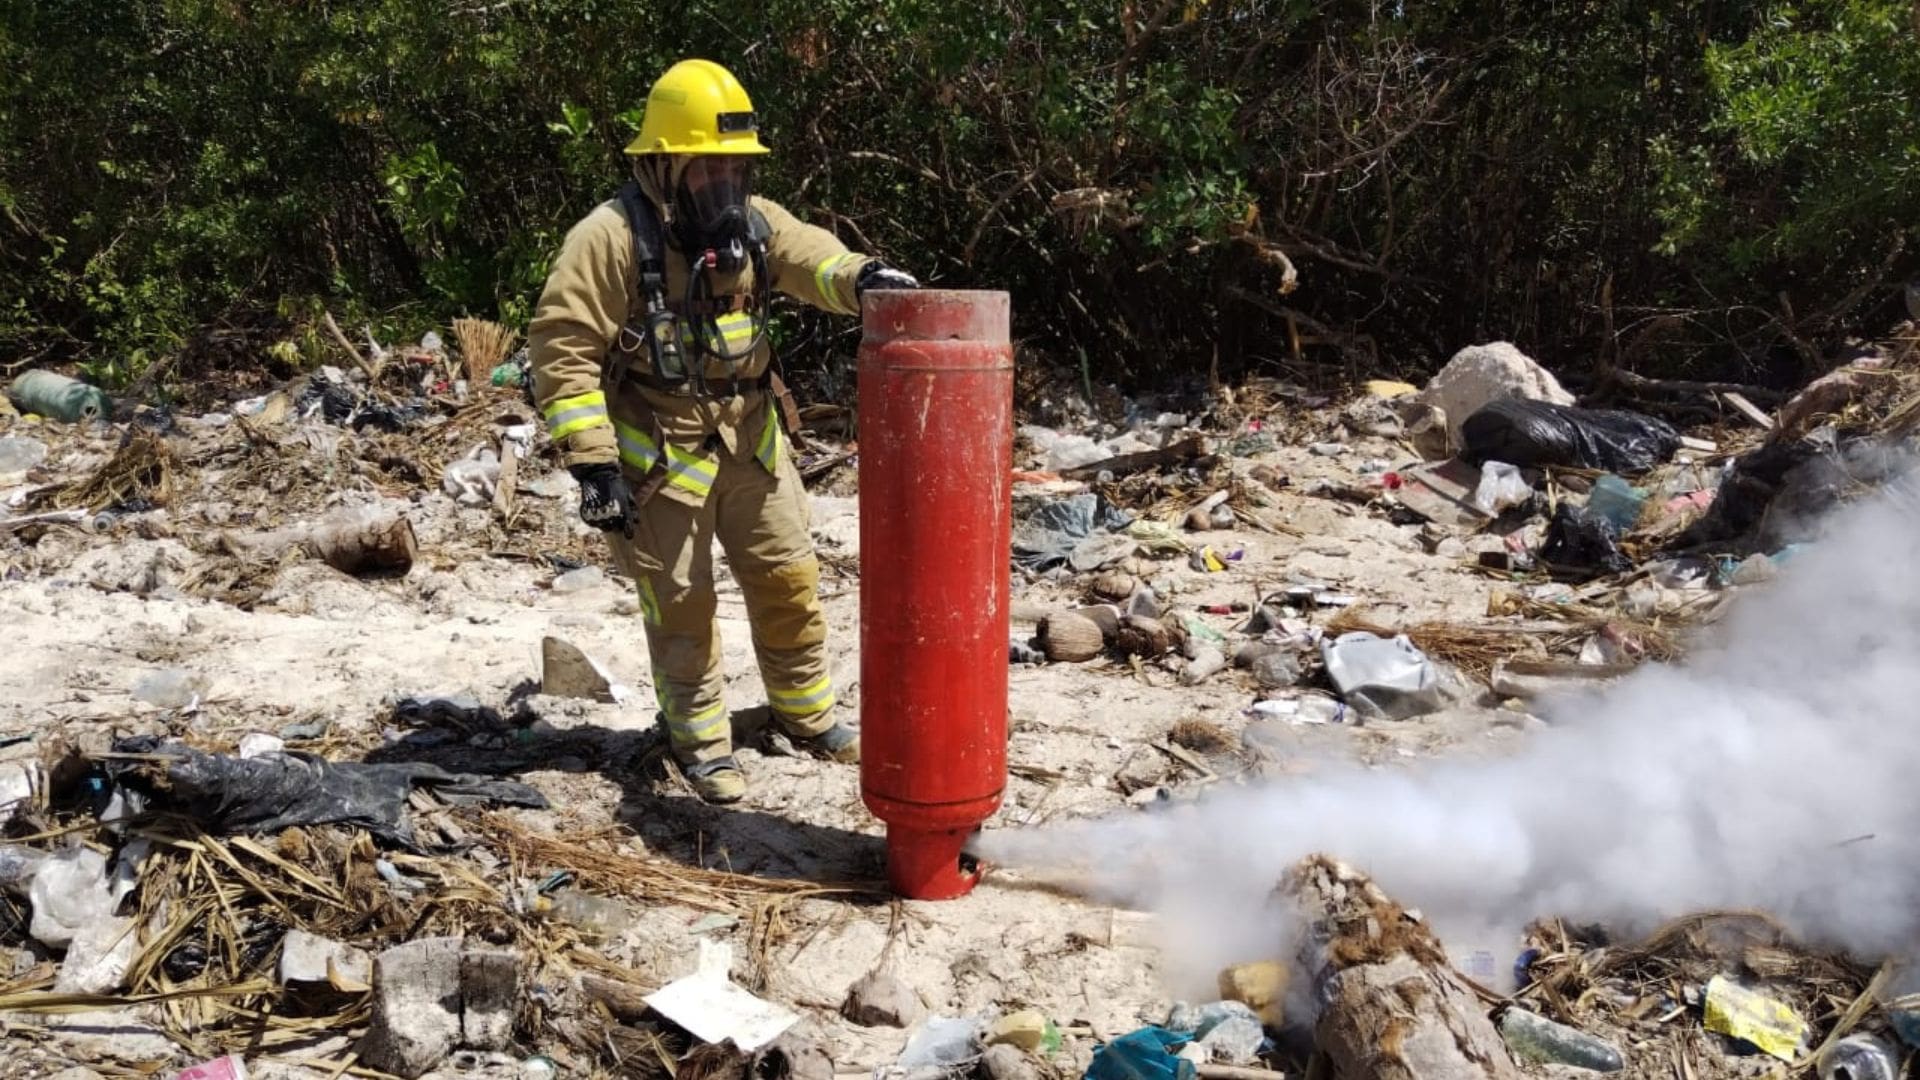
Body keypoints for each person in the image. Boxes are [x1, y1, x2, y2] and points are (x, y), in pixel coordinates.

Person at [529, 58, 918, 803]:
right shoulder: (609, 239)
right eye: (710, 170)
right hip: (659, 461)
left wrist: (864, 279)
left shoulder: (756, 223)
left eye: (736, 171)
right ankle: (702, 745)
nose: (726, 189)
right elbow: (562, 343)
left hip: (751, 442)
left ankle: (806, 717)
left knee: (789, 580)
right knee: (681, 607)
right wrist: (593, 466)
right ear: (663, 164)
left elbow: (813, 257)